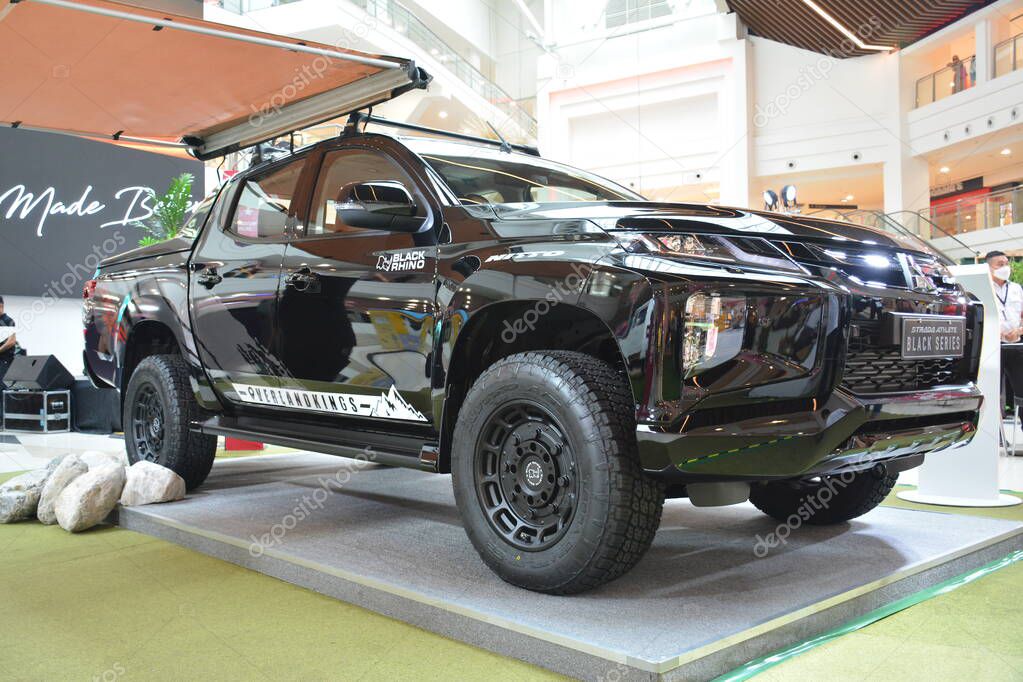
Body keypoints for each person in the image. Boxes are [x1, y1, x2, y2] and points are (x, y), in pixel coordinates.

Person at [988, 251, 1023, 427]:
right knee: (993, 391)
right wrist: (1000, 333)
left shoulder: (1017, 289)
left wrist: (1019, 330)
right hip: (993, 347)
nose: (1005, 267)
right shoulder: (985, 289)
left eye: (1006, 263)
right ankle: (996, 434)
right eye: (999, 264)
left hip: (1016, 346)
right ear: (989, 267)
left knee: (1022, 389)